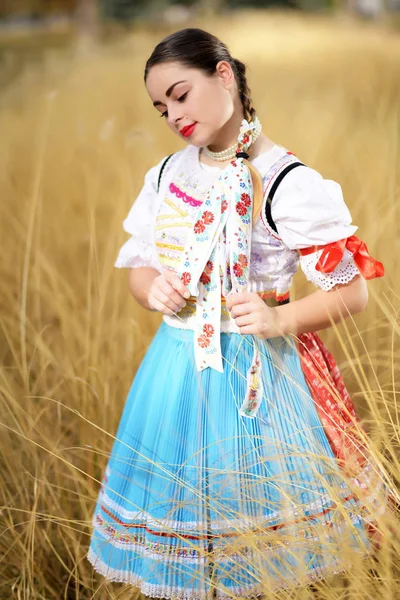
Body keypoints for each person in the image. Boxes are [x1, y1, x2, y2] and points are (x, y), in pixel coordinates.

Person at [87, 27, 391, 599]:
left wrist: (280, 320)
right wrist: (152, 289)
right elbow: (138, 267)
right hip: (174, 372)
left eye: (181, 94)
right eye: (160, 107)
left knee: (262, 553)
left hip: (263, 377)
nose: (173, 115)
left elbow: (352, 294)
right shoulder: (167, 176)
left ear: (223, 74)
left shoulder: (286, 183)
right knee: (186, 539)